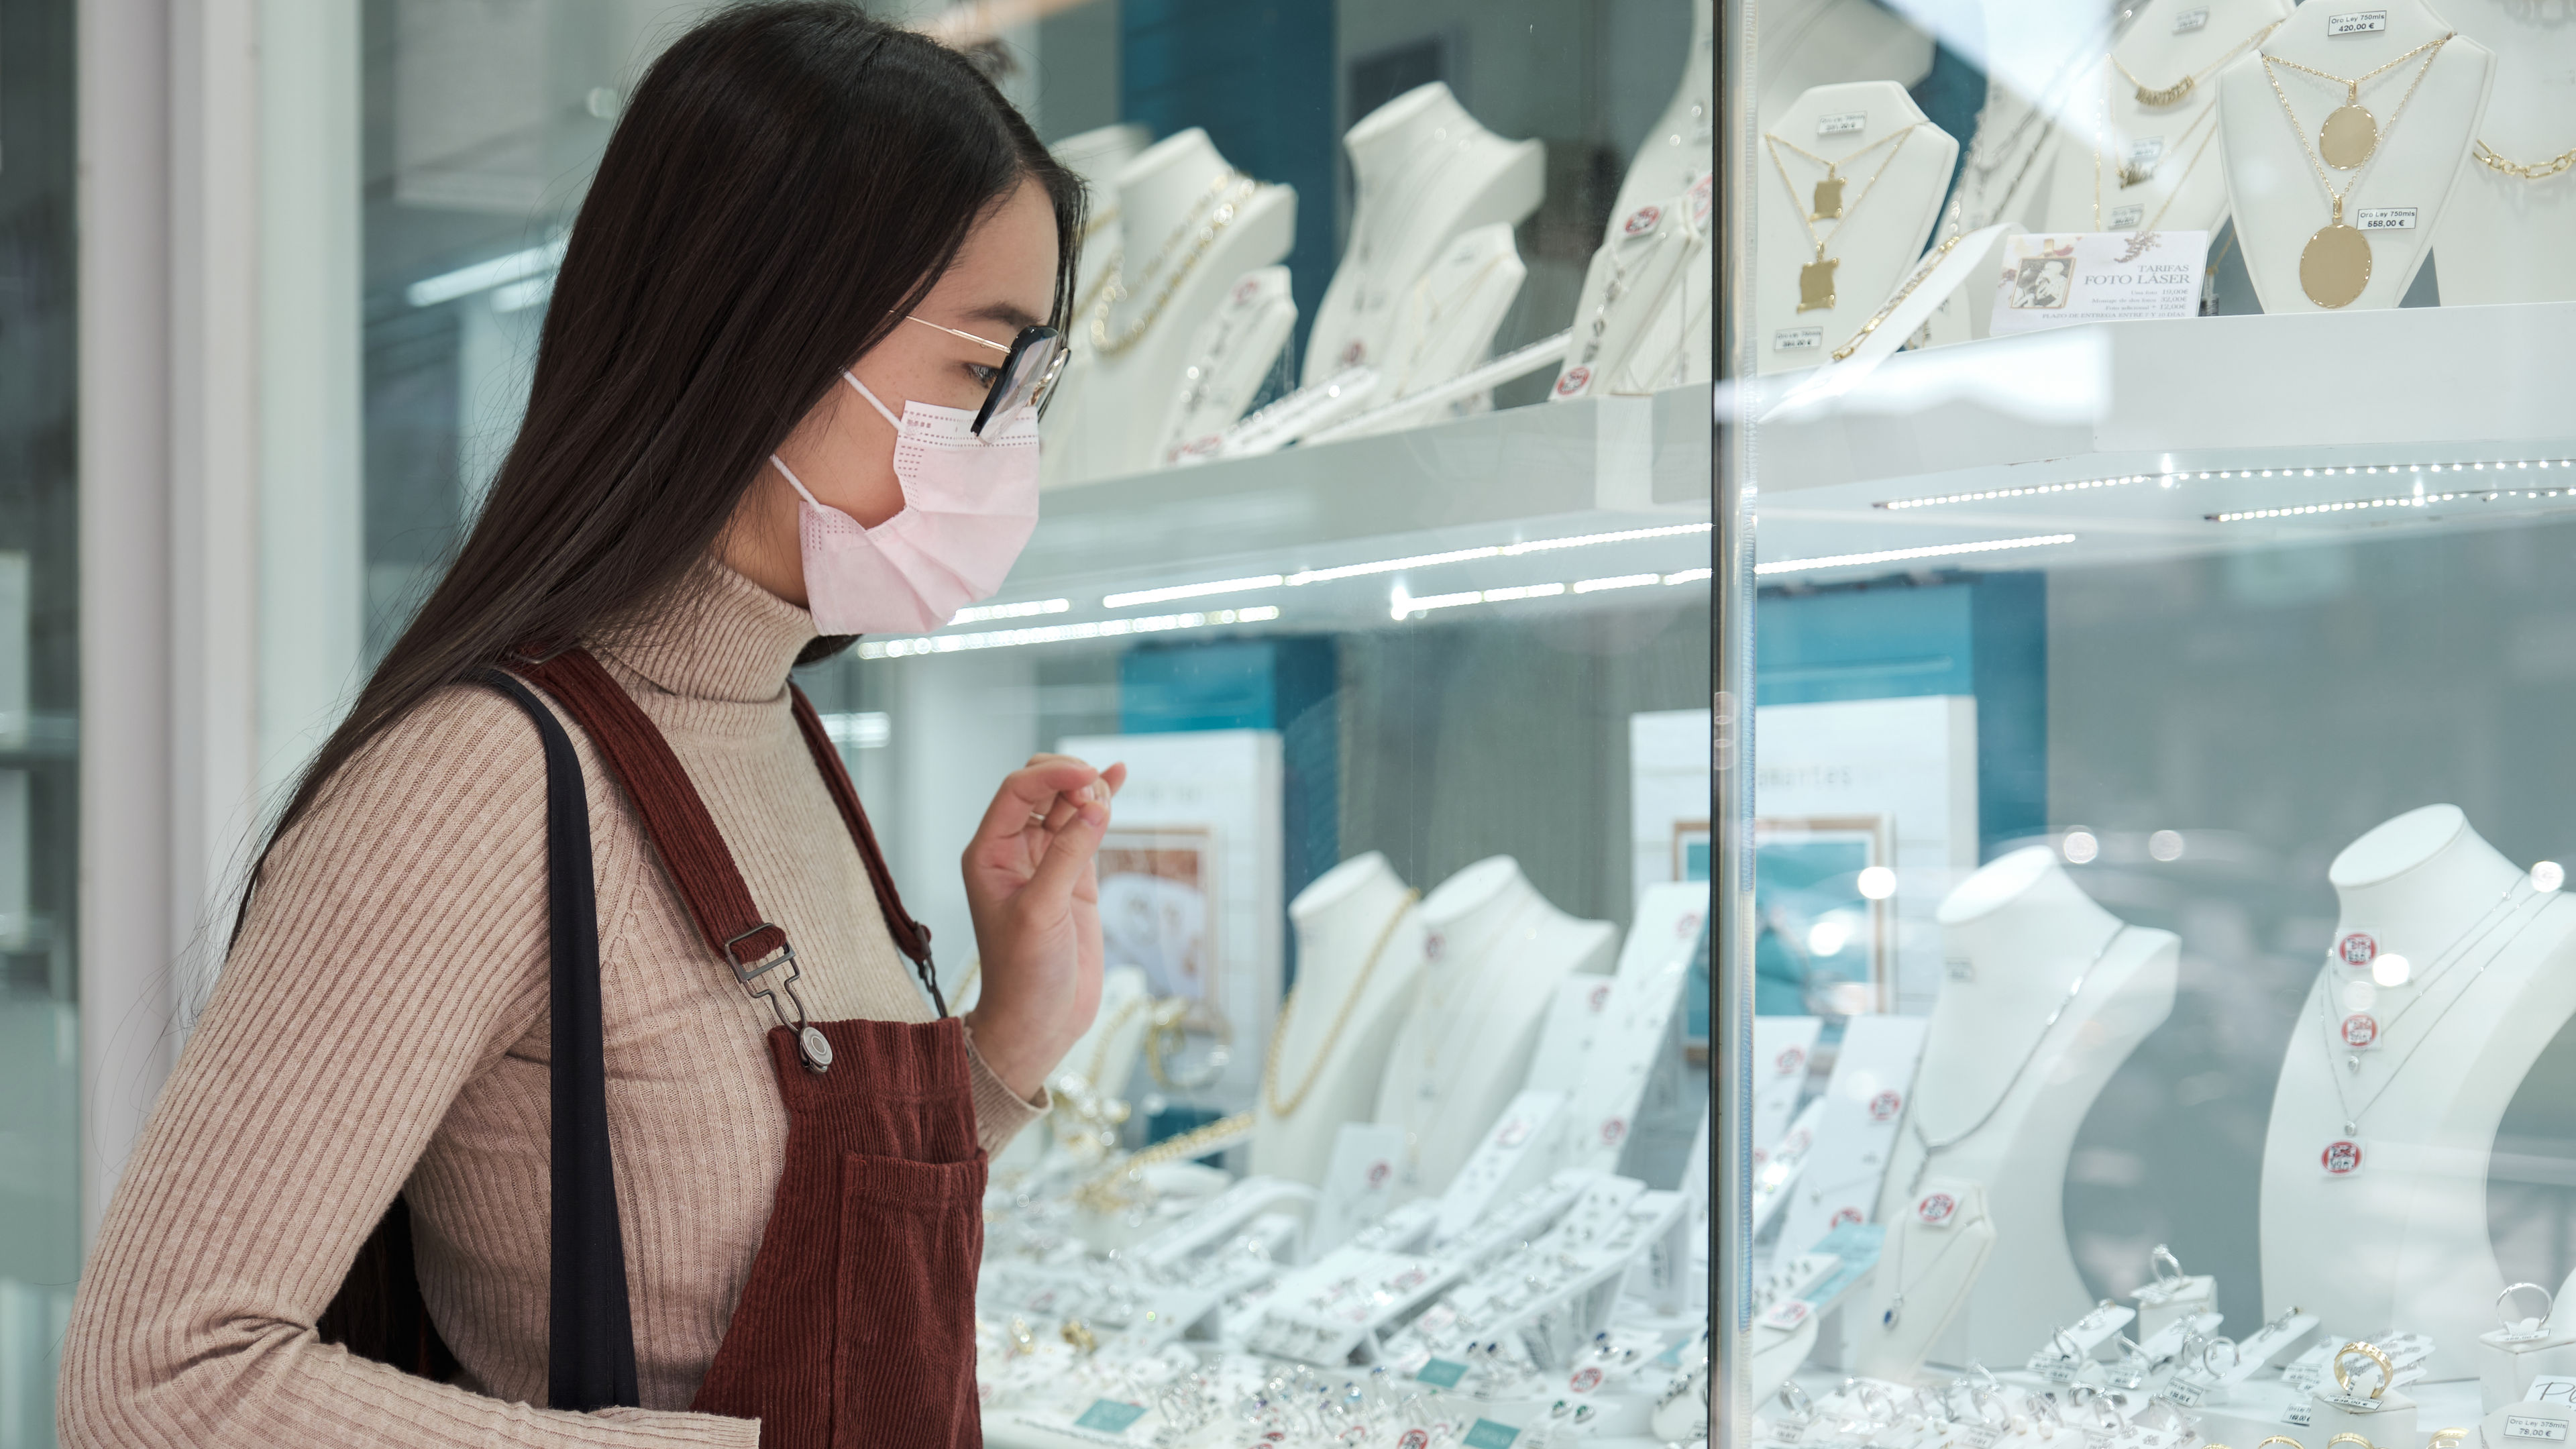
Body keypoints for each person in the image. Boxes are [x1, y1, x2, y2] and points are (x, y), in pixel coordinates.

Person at [59, 6, 1113, 1445]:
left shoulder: (778, 727)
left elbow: (744, 1247)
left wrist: (1005, 1041)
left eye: (1034, 384)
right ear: (770, 319)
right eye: (981, 371)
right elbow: (153, 1380)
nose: (1012, 442)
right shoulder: (480, 785)